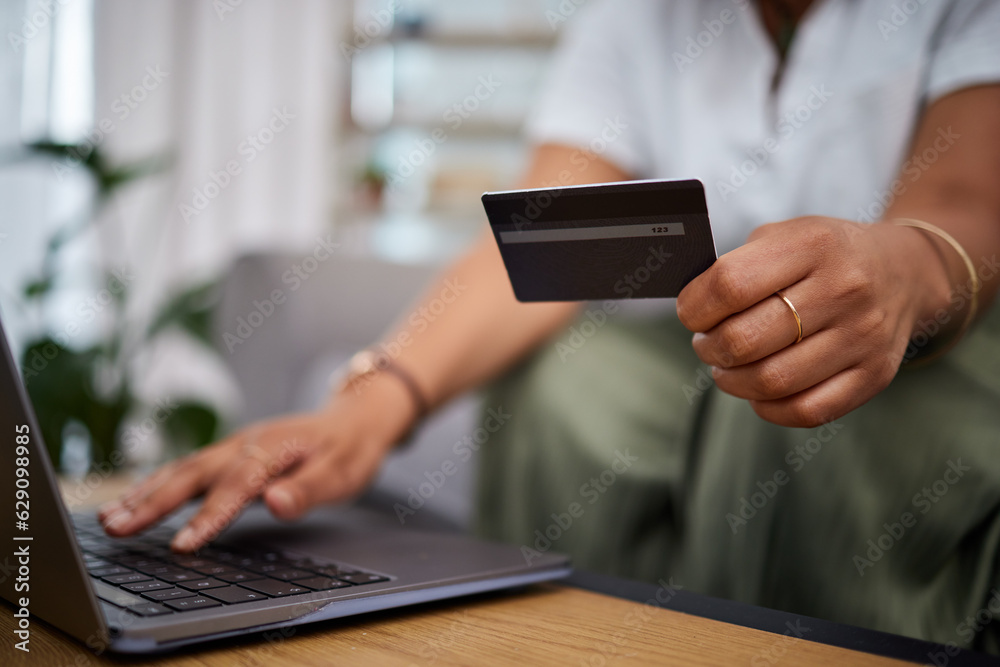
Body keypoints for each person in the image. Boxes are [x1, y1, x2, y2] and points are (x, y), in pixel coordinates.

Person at [100, 0, 1000, 650]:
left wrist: (905, 270)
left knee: (801, 397)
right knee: (568, 376)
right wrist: (366, 407)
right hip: (702, 346)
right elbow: (542, 244)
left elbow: (963, 206)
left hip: (951, 339)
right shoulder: (638, 22)